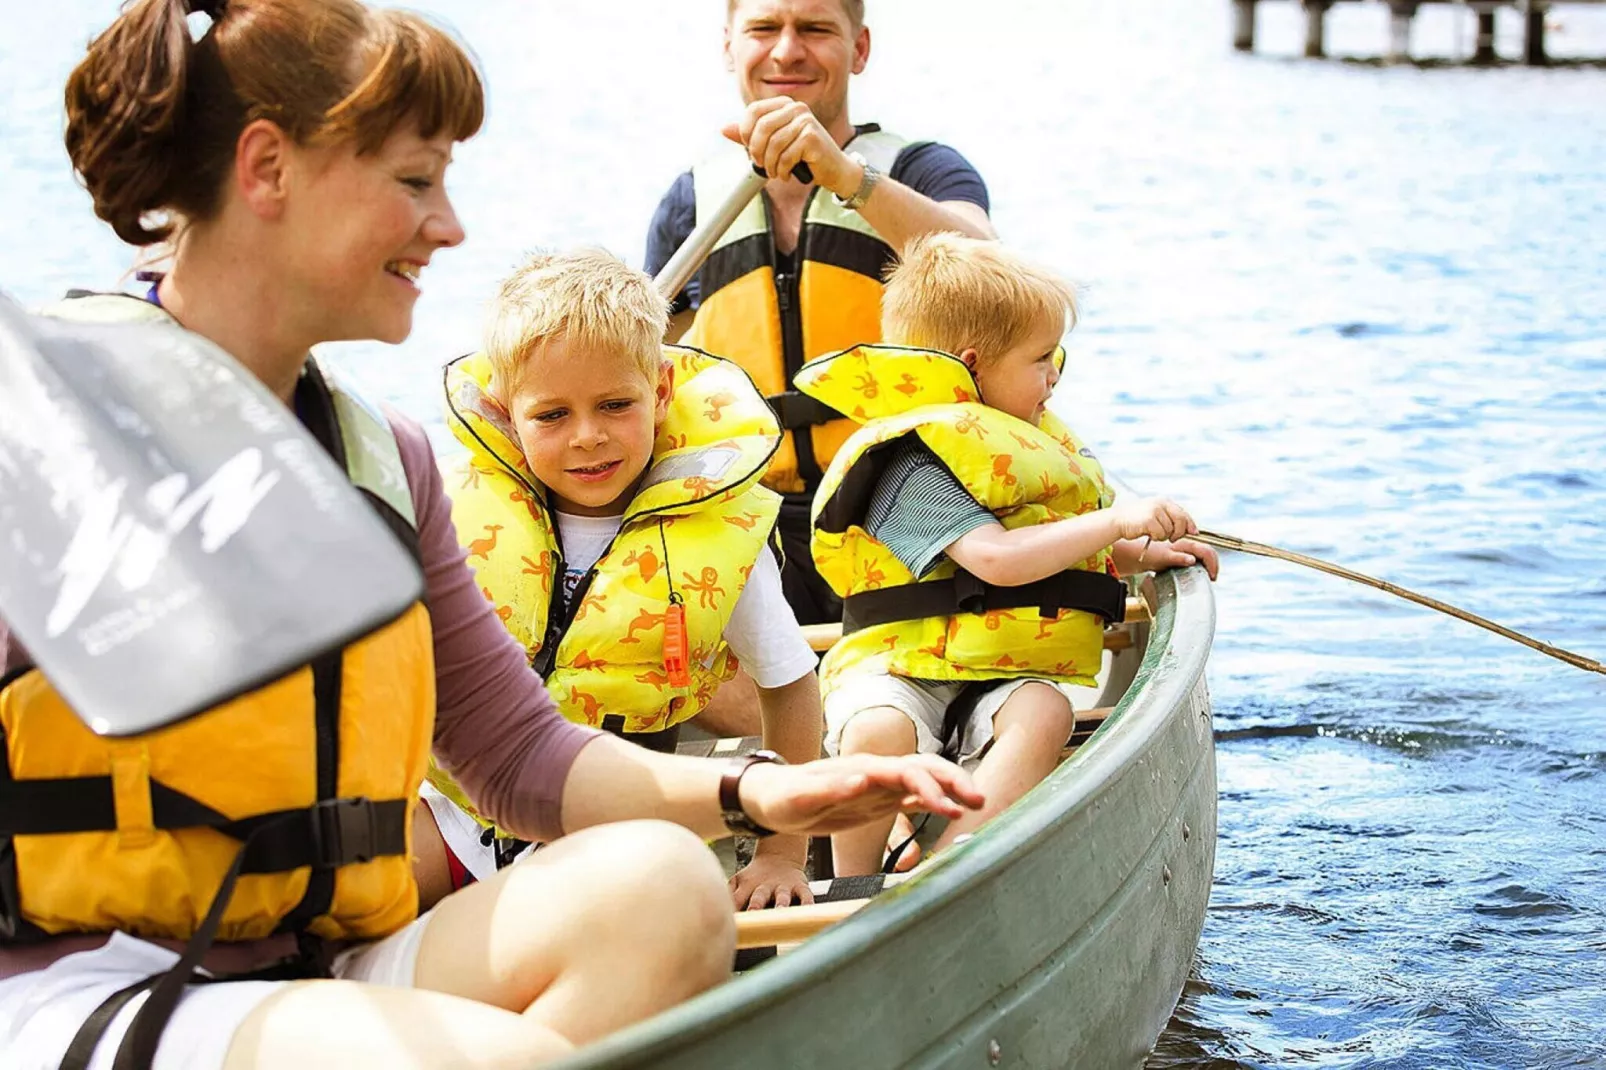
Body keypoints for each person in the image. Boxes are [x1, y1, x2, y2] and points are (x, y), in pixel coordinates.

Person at [0, 4, 982, 1068]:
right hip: (100, 979)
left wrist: (760, 790)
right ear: (267, 168)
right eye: (414, 181)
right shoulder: (44, 428)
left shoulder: (385, 461)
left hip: (320, 954)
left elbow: (521, 756)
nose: (450, 225)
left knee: (665, 884)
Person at [791, 233, 1219, 877]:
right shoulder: (908, 464)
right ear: (973, 364)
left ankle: (951, 863)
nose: (1054, 375)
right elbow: (997, 561)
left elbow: (1064, 555)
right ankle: (854, 883)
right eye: (1042, 358)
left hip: (1005, 669)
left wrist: (1145, 551)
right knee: (878, 732)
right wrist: (1114, 520)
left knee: (1043, 711)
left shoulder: (1029, 446)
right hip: (901, 667)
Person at [419, 249, 821, 911]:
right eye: (551, 415)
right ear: (502, 410)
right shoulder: (455, 514)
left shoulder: (712, 532)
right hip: (465, 815)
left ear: (661, 392)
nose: (587, 437)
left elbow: (790, 686)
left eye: (614, 404)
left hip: (622, 827)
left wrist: (780, 852)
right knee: (339, 884)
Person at [644, 0, 996, 630]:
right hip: (751, 508)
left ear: (859, 49)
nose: (785, 51)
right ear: (729, 45)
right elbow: (643, 370)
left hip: (907, 496)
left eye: (813, 29)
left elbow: (988, 268)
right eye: (762, 29)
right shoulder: (691, 200)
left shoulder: (922, 170)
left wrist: (847, 177)